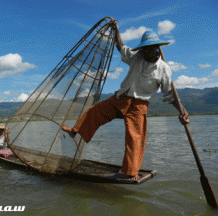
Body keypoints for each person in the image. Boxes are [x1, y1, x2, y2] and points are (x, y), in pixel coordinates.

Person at [62, 19, 189, 181]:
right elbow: (121, 47)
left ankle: (130, 172)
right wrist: (116, 30)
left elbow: (170, 95)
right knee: (96, 111)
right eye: (144, 49)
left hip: (139, 105)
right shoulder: (136, 56)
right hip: (120, 99)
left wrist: (182, 112)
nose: (146, 52)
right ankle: (75, 132)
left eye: (149, 49)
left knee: (135, 137)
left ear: (156, 49)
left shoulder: (164, 69)